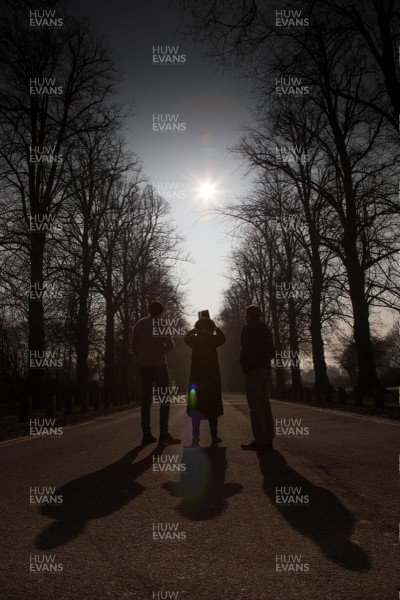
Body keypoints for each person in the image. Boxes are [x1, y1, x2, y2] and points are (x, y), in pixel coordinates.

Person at [132, 301, 181, 446]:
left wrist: (141, 357)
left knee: (146, 400)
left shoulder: (139, 324)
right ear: (161, 312)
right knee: (164, 399)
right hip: (159, 364)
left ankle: (146, 434)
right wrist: (162, 349)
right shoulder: (162, 324)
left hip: (144, 366)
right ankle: (163, 433)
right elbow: (170, 346)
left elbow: (133, 346)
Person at [184, 317, 225, 447]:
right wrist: (215, 328)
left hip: (197, 380)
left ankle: (196, 436)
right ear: (210, 328)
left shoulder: (195, 341)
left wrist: (194, 330)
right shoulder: (213, 340)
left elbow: (186, 338)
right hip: (212, 380)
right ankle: (214, 436)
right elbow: (223, 338)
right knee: (213, 408)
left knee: (196, 407)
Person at [239, 304, 275, 451]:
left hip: (253, 370)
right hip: (265, 369)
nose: (245, 316)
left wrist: (244, 365)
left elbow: (245, 349)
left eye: (246, 314)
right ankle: (268, 437)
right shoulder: (266, 329)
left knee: (255, 406)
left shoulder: (248, 329)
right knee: (265, 403)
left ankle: (259, 439)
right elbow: (272, 351)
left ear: (250, 315)